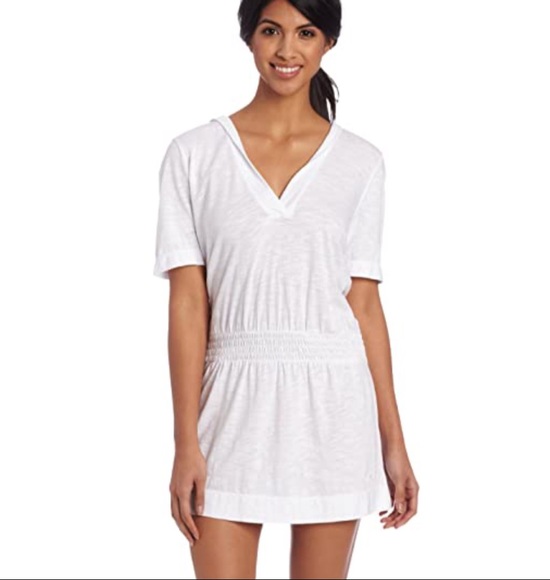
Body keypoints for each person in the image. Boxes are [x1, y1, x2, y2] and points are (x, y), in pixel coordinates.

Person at [153, 0, 419, 577]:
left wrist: (393, 444)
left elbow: (364, 306)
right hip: (228, 409)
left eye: (306, 32)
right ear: (249, 37)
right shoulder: (193, 155)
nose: (287, 50)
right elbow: (189, 304)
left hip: (334, 407)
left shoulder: (361, 162)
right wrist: (185, 443)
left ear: (328, 44)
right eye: (271, 31)